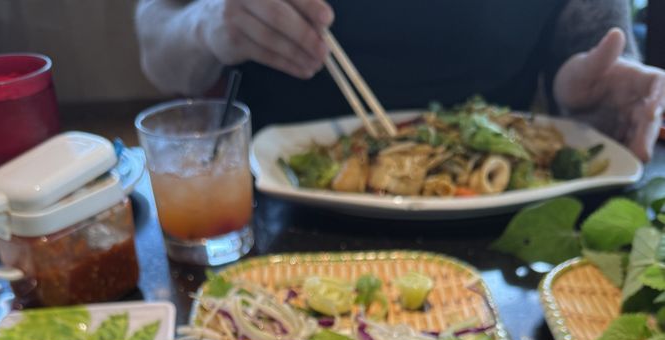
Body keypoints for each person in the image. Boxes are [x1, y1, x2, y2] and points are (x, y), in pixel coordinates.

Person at [135, 0, 665, 161]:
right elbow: (159, 50)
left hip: (510, 226)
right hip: (276, 205)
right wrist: (205, 22)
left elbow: (595, 44)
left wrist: (592, 109)